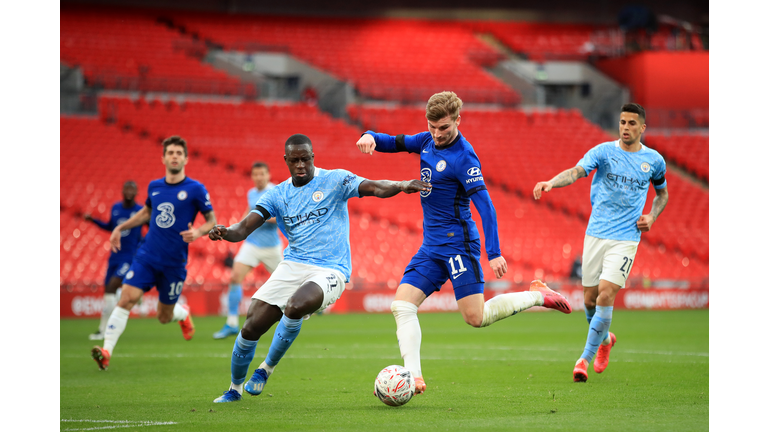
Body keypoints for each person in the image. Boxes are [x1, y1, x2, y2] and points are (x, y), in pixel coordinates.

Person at [355, 91, 572, 396]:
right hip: (431, 246)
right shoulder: (426, 141)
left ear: (458, 120)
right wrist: (369, 136)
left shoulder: (464, 157)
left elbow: (486, 206)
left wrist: (493, 252)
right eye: (432, 127)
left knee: (475, 317)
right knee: (402, 305)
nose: (437, 134)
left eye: (443, 127)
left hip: (459, 245)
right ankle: (413, 377)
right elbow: (394, 141)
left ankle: (536, 295)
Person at [209, 133, 430, 403]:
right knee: (251, 326)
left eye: (305, 159)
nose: (300, 165)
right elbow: (243, 228)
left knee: (295, 306)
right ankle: (234, 389)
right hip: (293, 264)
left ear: (313, 157)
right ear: (286, 160)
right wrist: (225, 231)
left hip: (331, 269)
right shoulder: (277, 194)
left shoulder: (335, 180)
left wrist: (402, 184)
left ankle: (266, 368)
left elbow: (374, 187)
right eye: (294, 160)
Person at [533, 102, 669, 382]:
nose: (626, 128)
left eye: (632, 123)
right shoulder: (603, 152)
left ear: (642, 127)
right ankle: (605, 340)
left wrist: (652, 217)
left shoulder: (654, 160)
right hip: (596, 234)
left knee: (606, 294)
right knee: (589, 300)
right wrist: (550, 182)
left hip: (626, 238)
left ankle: (584, 358)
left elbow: (662, 194)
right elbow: (575, 172)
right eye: (622, 122)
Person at [91, 136, 217, 371]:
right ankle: (106, 351)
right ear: (163, 158)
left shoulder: (196, 189)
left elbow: (212, 220)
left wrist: (198, 232)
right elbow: (145, 214)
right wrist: (120, 227)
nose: (175, 156)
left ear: (186, 158)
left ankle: (182, 313)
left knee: (163, 316)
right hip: (147, 255)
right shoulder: (154, 186)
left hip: (174, 262)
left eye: (179, 153)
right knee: (126, 298)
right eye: (170, 152)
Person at [214, 162, 284, 340]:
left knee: (289, 282)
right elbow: (247, 216)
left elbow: (282, 218)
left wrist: (259, 218)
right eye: (256, 174)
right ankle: (231, 323)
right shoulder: (251, 193)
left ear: (268, 175)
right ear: (252, 176)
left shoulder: (276, 191)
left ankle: (306, 309)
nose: (259, 177)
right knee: (234, 277)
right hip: (252, 245)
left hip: (272, 247)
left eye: (262, 174)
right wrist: (232, 229)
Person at [83, 180, 144, 340]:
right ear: (123, 191)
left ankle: (105, 331)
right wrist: (93, 220)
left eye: (133, 189)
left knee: (111, 288)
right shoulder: (116, 208)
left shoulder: (140, 211)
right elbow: (110, 227)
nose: (129, 192)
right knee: (108, 294)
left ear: (136, 193)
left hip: (129, 256)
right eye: (127, 189)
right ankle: (102, 329)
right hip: (114, 256)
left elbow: (151, 230)